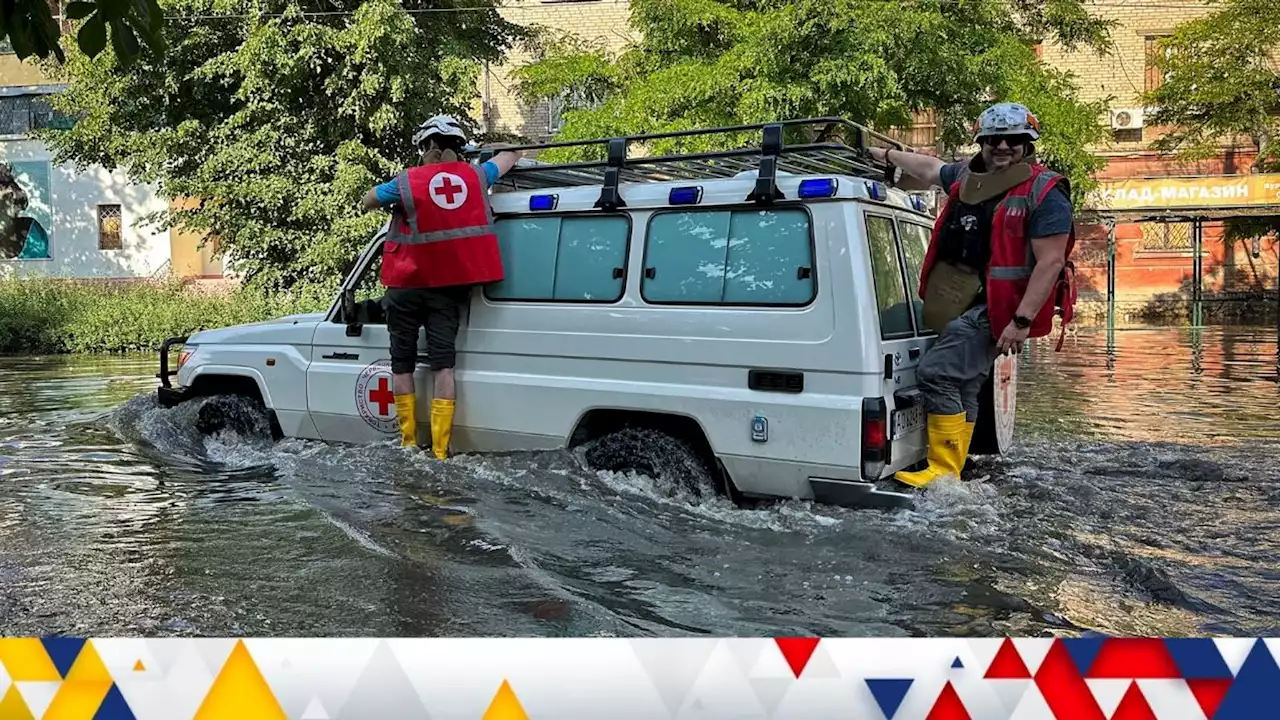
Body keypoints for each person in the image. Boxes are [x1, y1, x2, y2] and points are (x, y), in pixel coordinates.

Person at [867, 101, 1077, 488]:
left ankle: (943, 470)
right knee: (964, 382)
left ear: (1028, 144)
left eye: (1013, 140)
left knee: (936, 374)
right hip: (966, 302)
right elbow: (929, 170)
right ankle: (954, 470)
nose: (1002, 147)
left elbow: (1050, 263)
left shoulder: (1045, 192)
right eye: (993, 139)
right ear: (981, 141)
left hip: (999, 309)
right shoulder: (968, 177)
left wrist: (1020, 322)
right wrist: (885, 154)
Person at [361, 114, 522, 459]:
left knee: (401, 364)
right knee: (443, 366)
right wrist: (488, 151)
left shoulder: (408, 182)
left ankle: (407, 443)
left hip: (405, 287)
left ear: (429, 146)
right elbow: (511, 155)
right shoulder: (477, 175)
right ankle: (439, 451)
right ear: (459, 148)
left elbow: (368, 199)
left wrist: (395, 195)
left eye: (422, 149)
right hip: (448, 289)